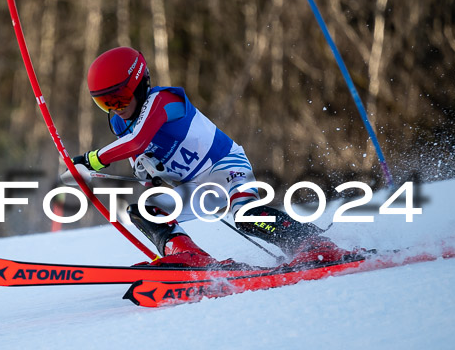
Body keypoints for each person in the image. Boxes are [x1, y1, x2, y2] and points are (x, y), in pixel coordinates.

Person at [70, 46, 336, 267]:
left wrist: (91, 160)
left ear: (140, 85)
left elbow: (137, 141)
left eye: (119, 98)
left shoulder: (165, 100)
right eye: (105, 103)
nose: (116, 109)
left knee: (246, 215)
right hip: (195, 187)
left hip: (225, 166)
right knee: (146, 211)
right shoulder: (120, 124)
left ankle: (313, 244)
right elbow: (139, 161)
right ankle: (192, 259)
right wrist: (152, 180)